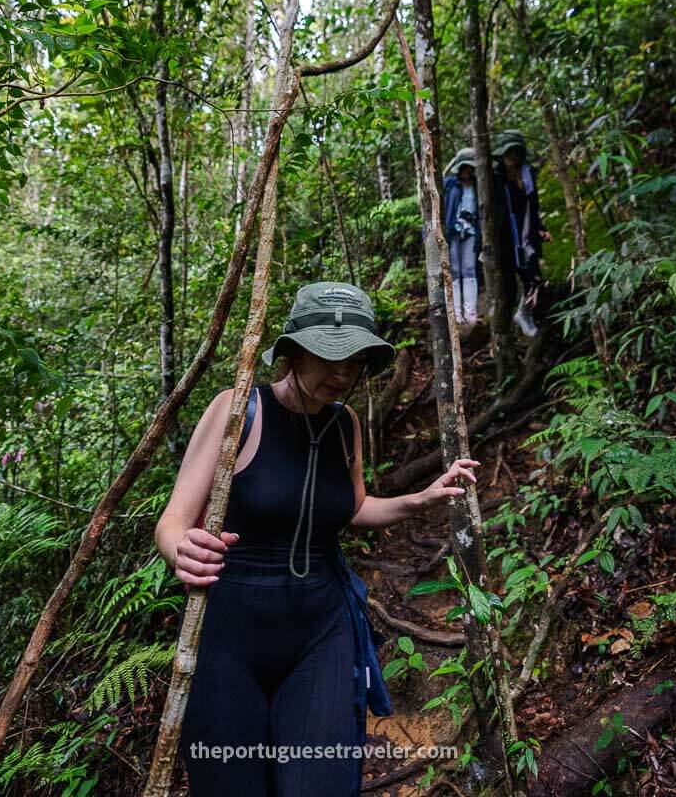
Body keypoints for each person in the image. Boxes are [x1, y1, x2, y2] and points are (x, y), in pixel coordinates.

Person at [154, 281, 481, 797]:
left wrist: (420, 499)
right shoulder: (238, 410)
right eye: (331, 356)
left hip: (321, 632)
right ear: (294, 352)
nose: (343, 371)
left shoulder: (344, 423)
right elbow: (173, 521)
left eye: (354, 359)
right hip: (229, 635)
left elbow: (353, 507)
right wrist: (181, 550)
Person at [492, 130, 550, 337]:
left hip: (527, 234)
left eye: (516, 153)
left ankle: (525, 313)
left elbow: (533, 206)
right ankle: (504, 326)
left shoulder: (527, 174)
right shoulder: (493, 177)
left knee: (533, 277)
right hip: (504, 237)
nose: (513, 158)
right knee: (507, 283)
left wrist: (541, 228)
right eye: (509, 153)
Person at [441, 146, 481, 328]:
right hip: (453, 232)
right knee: (454, 271)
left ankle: (470, 312)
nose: (467, 170)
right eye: (465, 166)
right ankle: (456, 314)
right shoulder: (449, 183)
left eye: (470, 167)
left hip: (471, 231)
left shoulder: (478, 185)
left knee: (470, 269)